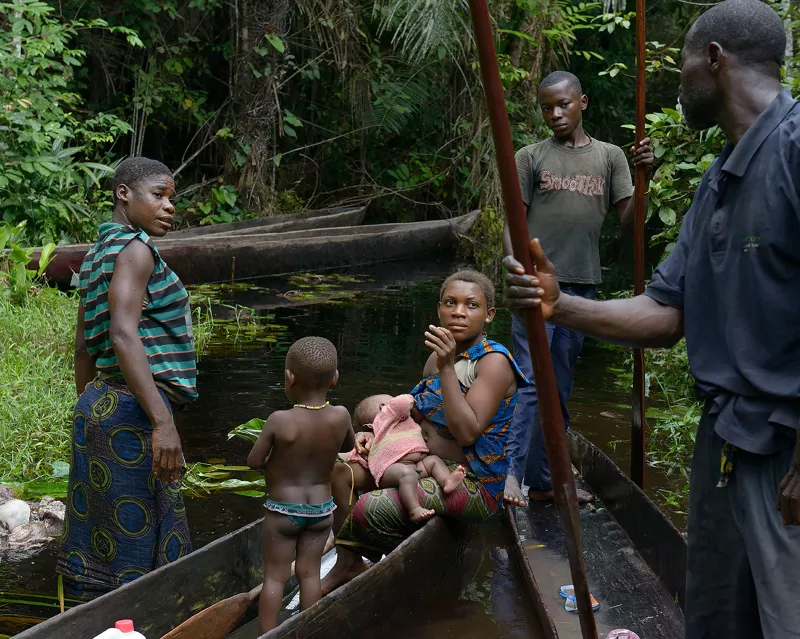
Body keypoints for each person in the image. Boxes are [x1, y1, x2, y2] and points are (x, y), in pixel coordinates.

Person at [502, 2, 800, 636]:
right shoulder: (718, 180)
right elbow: (665, 313)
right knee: (715, 620)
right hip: (724, 443)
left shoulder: (795, 150)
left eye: (683, 64)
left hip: (785, 453)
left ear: (714, 60)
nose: (678, 82)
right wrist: (559, 305)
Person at [320, 269, 529, 594]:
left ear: (489, 315)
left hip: (472, 481)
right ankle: (348, 562)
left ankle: (406, 556)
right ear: (439, 309)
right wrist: (375, 435)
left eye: (471, 305)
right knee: (339, 471)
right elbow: (414, 417)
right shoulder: (435, 359)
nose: (459, 312)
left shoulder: (493, 362)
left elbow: (466, 434)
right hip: (422, 462)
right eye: (451, 303)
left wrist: (447, 368)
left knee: (371, 508)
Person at [502, 70, 655, 507]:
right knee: (531, 380)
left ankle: (544, 479)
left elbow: (630, 223)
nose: (555, 114)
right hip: (536, 286)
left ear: (582, 102)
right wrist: (518, 270)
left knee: (560, 386)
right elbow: (513, 224)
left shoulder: (610, 157)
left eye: (563, 104)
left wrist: (643, 178)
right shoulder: (531, 157)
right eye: (546, 108)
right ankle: (512, 475)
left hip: (581, 287)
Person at [58, 157, 197, 600]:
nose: (169, 206)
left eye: (171, 198)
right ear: (124, 194)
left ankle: (90, 615)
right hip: (134, 411)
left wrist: (91, 409)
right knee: (140, 541)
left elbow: (83, 346)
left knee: (100, 534)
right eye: (159, 195)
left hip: (100, 401)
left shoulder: (97, 254)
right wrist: (162, 422)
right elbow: (122, 333)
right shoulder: (136, 250)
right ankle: (143, 618)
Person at [247, 336, 354, 634]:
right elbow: (348, 447)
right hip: (321, 511)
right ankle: (310, 632)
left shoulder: (279, 420)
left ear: (289, 377)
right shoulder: (341, 415)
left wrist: (278, 462)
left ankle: (267, 635)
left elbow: (254, 461)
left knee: (275, 577)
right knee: (310, 575)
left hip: (283, 512)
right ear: (335, 379)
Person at [355, 393, 466, 522]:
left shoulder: (395, 424)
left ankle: (446, 481)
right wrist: (412, 399)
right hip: (392, 468)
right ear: (383, 406)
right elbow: (401, 403)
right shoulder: (386, 416)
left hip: (416, 467)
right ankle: (414, 510)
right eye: (392, 399)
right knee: (407, 474)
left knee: (433, 460)